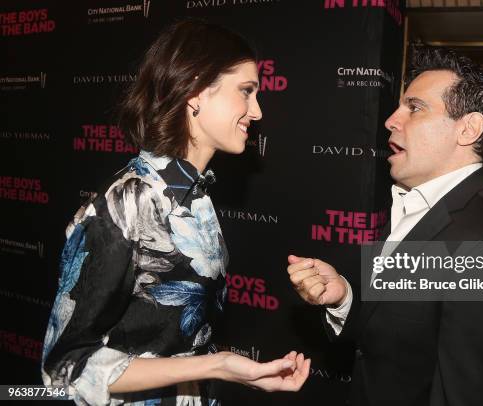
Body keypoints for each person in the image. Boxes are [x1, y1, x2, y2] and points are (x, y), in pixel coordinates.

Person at [42, 19, 309, 406]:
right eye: (246, 92)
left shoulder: (196, 196)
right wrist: (215, 366)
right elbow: (64, 370)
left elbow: (176, 339)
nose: (258, 111)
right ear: (197, 90)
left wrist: (231, 374)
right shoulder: (125, 206)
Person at [288, 46, 483, 405]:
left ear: (468, 129)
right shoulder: (418, 206)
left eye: (415, 107)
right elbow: (403, 332)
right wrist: (344, 297)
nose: (391, 119)